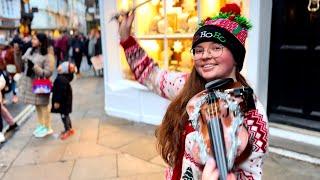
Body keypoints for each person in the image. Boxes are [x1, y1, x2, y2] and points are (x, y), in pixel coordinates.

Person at [118, 3, 269, 180]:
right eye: (199, 50)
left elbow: (250, 174)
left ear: (236, 56)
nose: (204, 55)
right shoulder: (187, 86)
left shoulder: (251, 112)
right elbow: (152, 75)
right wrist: (126, 38)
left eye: (216, 48)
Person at [15, 33, 53, 138]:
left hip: (41, 84)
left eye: (34, 39)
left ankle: (48, 127)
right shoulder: (29, 51)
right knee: (37, 106)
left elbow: (47, 73)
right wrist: (17, 53)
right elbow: (20, 65)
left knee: (44, 106)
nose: (32, 41)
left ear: (41, 42)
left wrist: (35, 67)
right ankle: (41, 125)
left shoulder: (47, 56)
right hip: (31, 84)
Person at [51, 61, 76, 140]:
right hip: (65, 102)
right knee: (66, 115)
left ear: (64, 70)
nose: (58, 68)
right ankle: (70, 129)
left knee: (64, 116)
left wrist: (57, 102)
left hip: (63, 103)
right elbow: (57, 89)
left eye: (61, 67)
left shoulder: (61, 79)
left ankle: (67, 130)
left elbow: (60, 91)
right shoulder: (63, 78)